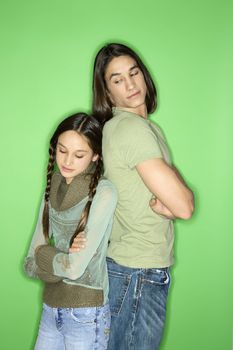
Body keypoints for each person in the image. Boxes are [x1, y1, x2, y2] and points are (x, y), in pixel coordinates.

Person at [71, 43, 194, 350]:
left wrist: (171, 202)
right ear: (107, 93)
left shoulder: (131, 127)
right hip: (138, 273)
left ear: (144, 76)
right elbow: (185, 205)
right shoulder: (132, 130)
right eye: (116, 79)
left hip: (128, 269)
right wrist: (174, 201)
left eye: (133, 72)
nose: (130, 84)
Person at [24, 113, 117, 350]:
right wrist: (61, 257)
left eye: (79, 155)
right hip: (50, 306)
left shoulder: (104, 192)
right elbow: (29, 262)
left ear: (95, 155)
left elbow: (74, 269)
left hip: (87, 314)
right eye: (62, 150)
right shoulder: (52, 186)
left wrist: (46, 256)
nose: (67, 161)